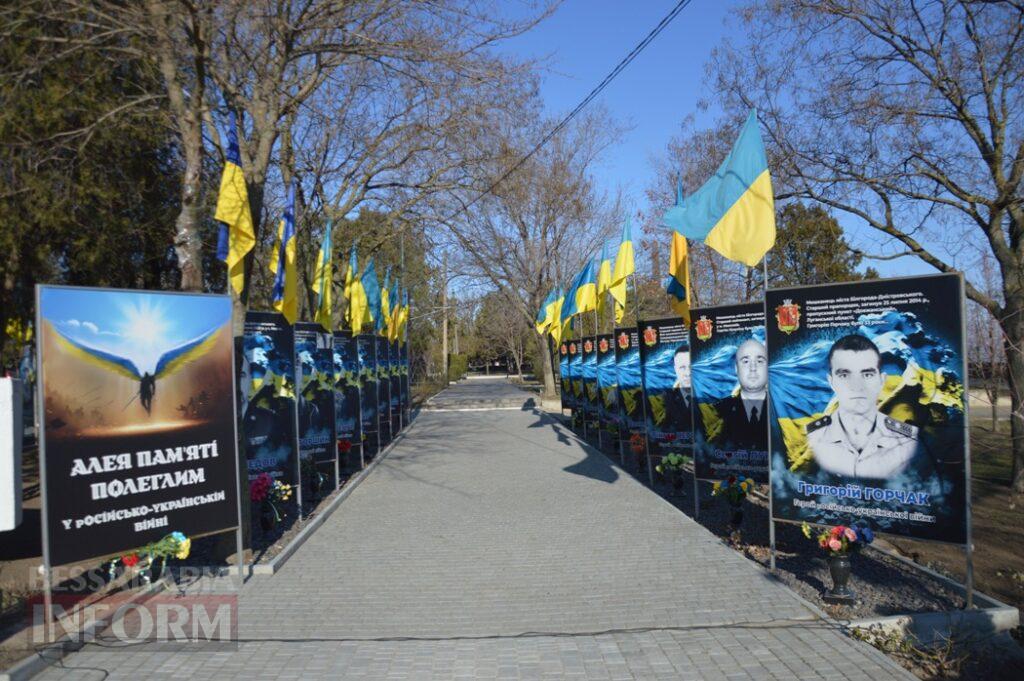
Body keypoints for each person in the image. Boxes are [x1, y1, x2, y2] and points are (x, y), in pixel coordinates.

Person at [806, 334, 921, 478]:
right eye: (844, 375)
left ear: (881, 380)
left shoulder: (907, 439)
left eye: (867, 375)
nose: (857, 386)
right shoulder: (816, 435)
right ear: (831, 382)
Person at [713, 338, 768, 450]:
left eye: (760, 361)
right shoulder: (719, 410)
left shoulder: (782, 410)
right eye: (746, 361)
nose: (753, 368)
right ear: (736, 368)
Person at [660, 346, 693, 432]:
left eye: (691, 367)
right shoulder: (668, 398)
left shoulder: (708, 399)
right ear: (675, 370)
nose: (688, 373)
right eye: (682, 367)